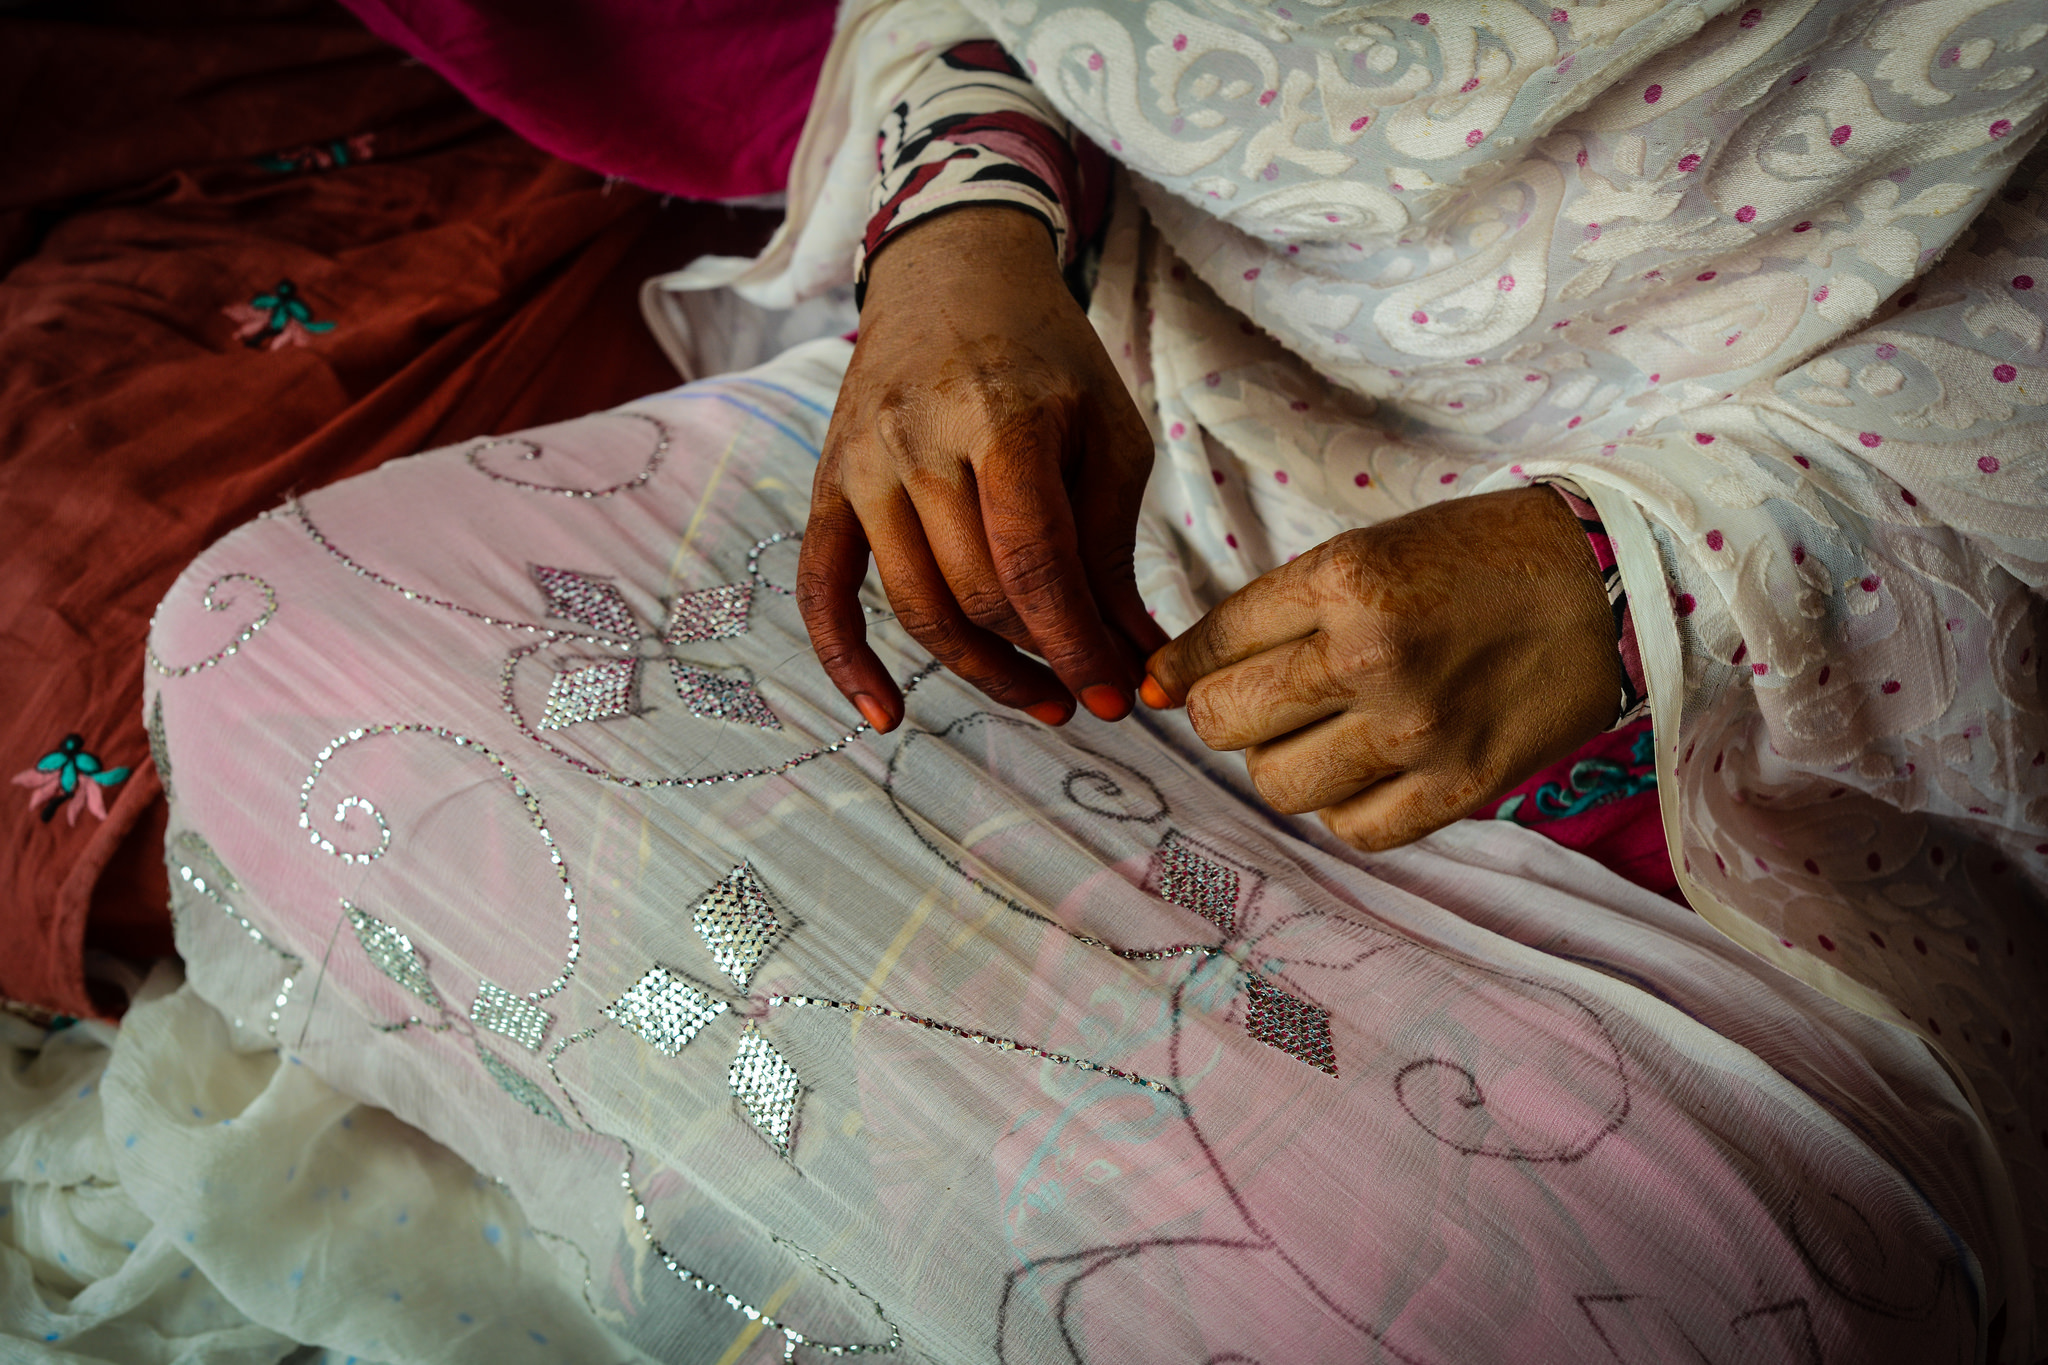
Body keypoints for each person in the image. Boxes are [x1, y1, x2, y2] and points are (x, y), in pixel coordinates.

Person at [143, 0, 2043, 1357]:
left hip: (1771, 718)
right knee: (270, 641)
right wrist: (963, 231)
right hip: (1116, 455)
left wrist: (1642, 580)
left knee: (1519, 1303)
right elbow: (998, 26)